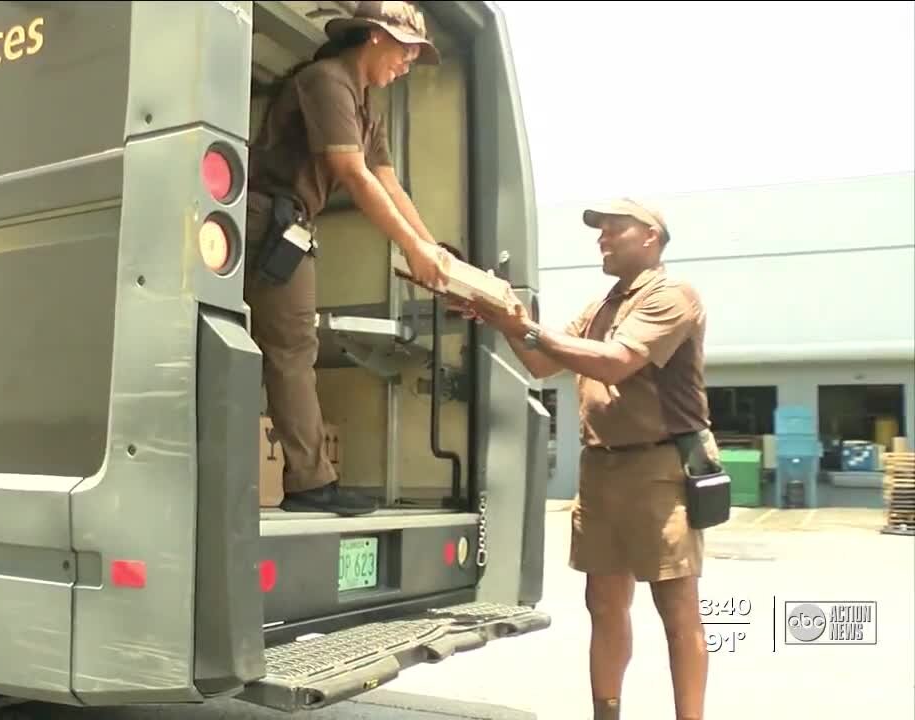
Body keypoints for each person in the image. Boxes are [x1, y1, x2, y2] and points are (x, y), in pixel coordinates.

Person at [452, 199, 715, 720]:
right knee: (604, 605)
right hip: (601, 470)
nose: (602, 239)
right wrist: (499, 318)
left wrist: (522, 324)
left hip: (659, 470)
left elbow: (617, 364)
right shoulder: (599, 308)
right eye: (600, 232)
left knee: (677, 610)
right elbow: (539, 361)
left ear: (652, 237)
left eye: (615, 230)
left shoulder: (672, 296)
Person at [245, 1, 451, 516]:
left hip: (286, 223)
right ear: (374, 37)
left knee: (290, 347)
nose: (407, 64)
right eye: (405, 51)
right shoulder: (327, 80)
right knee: (291, 349)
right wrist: (412, 248)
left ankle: (308, 476)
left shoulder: (362, 103)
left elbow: (388, 181)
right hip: (264, 219)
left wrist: (436, 253)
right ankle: (310, 483)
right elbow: (353, 174)